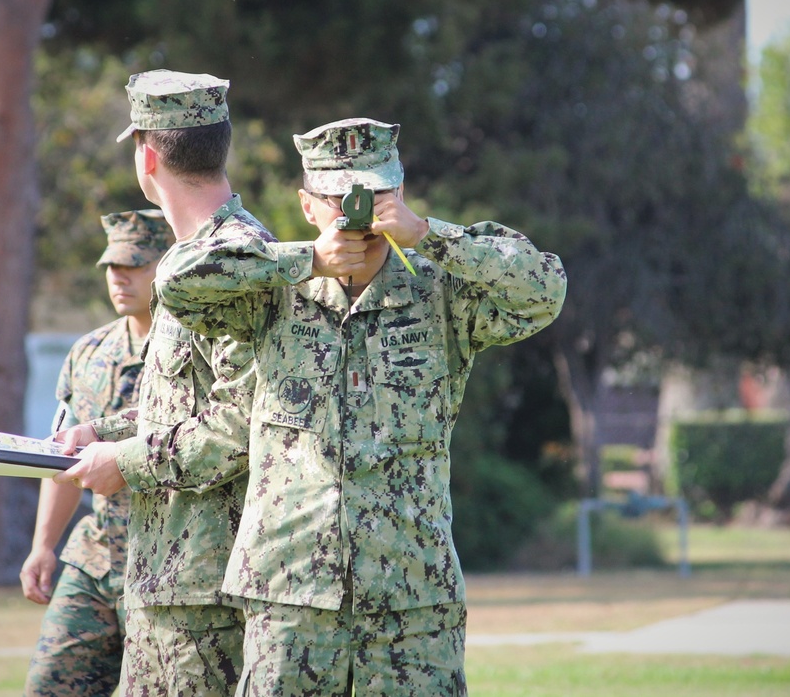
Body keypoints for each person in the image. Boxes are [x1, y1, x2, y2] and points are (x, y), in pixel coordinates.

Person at [154, 117, 568, 695]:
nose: (360, 211)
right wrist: (305, 261)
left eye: (377, 193)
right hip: (290, 593)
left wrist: (428, 233)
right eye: (341, 197)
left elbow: (544, 288)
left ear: (399, 192)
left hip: (412, 598)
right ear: (308, 206)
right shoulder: (273, 292)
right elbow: (176, 282)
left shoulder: (438, 290)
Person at [54, 70, 275, 696]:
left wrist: (125, 460)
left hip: (204, 587)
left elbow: (243, 421)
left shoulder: (229, 260)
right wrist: (102, 430)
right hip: (172, 577)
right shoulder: (201, 254)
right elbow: (190, 398)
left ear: (147, 156)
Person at [20, 209, 172, 697]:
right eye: (111, 266)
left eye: (134, 264)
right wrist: (44, 545)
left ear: (167, 265)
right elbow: (62, 459)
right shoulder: (88, 351)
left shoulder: (200, 344)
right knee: (48, 687)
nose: (118, 277)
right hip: (97, 556)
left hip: (166, 562)